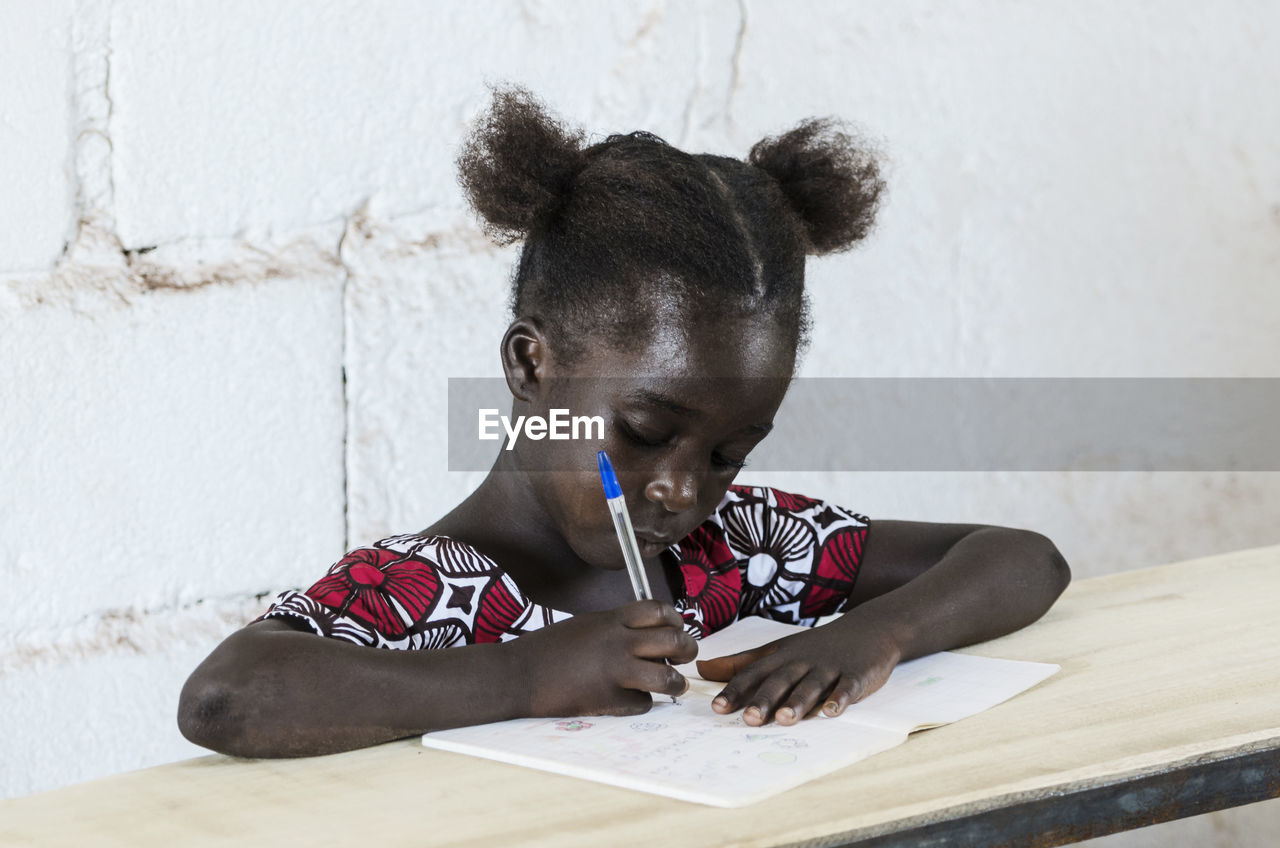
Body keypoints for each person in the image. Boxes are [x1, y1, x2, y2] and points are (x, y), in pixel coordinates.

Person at [178, 88, 1070, 759]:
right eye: (645, 432)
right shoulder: (420, 590)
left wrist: (871, 636)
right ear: (531, 367)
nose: (684, 488)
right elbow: (224, 700)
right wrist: (523, 676)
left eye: (729, 452)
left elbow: (1023, 558)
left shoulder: (742, 548)